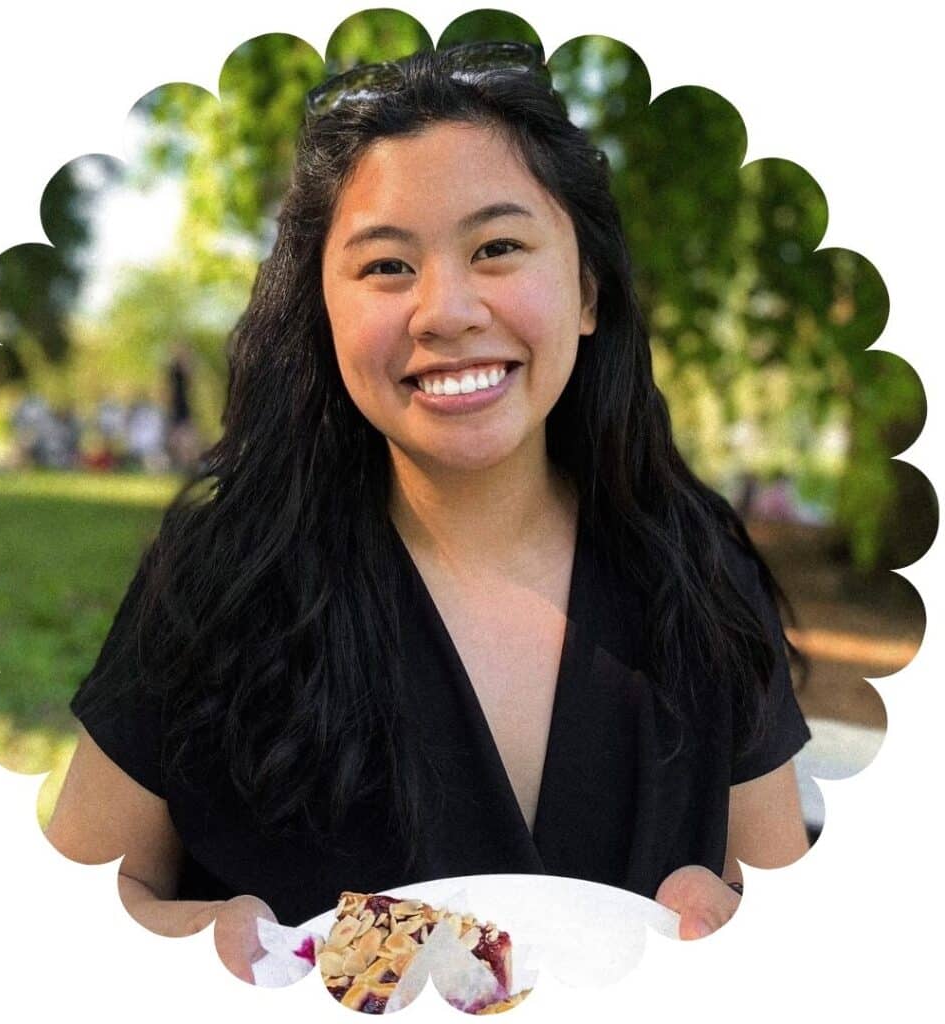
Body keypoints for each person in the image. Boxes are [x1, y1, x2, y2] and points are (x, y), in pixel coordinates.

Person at [46, 42, 811, 986]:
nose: (445, 310)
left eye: (498, 247)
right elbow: (64, 906)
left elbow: (801, 918)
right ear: (321, 310)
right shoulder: (219, 582)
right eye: (386, 266)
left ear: (587, 290)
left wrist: (743, 935)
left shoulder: (698, 575)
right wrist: (203, 941)